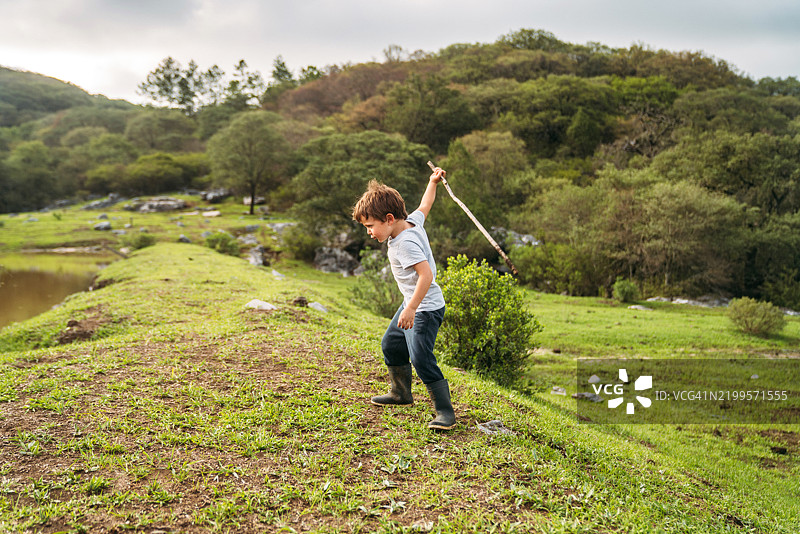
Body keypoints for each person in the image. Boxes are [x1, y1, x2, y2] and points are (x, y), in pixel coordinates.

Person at [351, 166, 455, 430]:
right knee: (392, 344)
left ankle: (445, 412)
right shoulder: (412, 221)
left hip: (424, 307)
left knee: (421, 358)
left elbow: (426, 275)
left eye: (370, 226)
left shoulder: (404, 243)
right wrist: (433, 182)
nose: (369, 232)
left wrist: (410, 309)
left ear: (388, 218)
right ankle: (401, 393)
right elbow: (425, 204)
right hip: (412, 302)